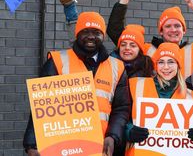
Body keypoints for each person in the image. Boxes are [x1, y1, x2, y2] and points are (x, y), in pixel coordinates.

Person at [23, 12, 131, 156]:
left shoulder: (117, 67)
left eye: (96, 32)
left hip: (100, 148)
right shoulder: (57, 62)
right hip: (63, 147)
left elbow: (121, 108)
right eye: (85, 31)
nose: (91, 36)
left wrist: (113, 136)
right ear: (76, 34)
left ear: (103, 36)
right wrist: (32, 144)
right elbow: (40, 108)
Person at [125, 42, 193, 156]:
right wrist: (130, 132)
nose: (166, 67)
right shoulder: (136, 85)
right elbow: (122, 117)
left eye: (171, 62)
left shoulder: (192, 96)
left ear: (178, 65)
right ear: (156, 65)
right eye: (161, 62)